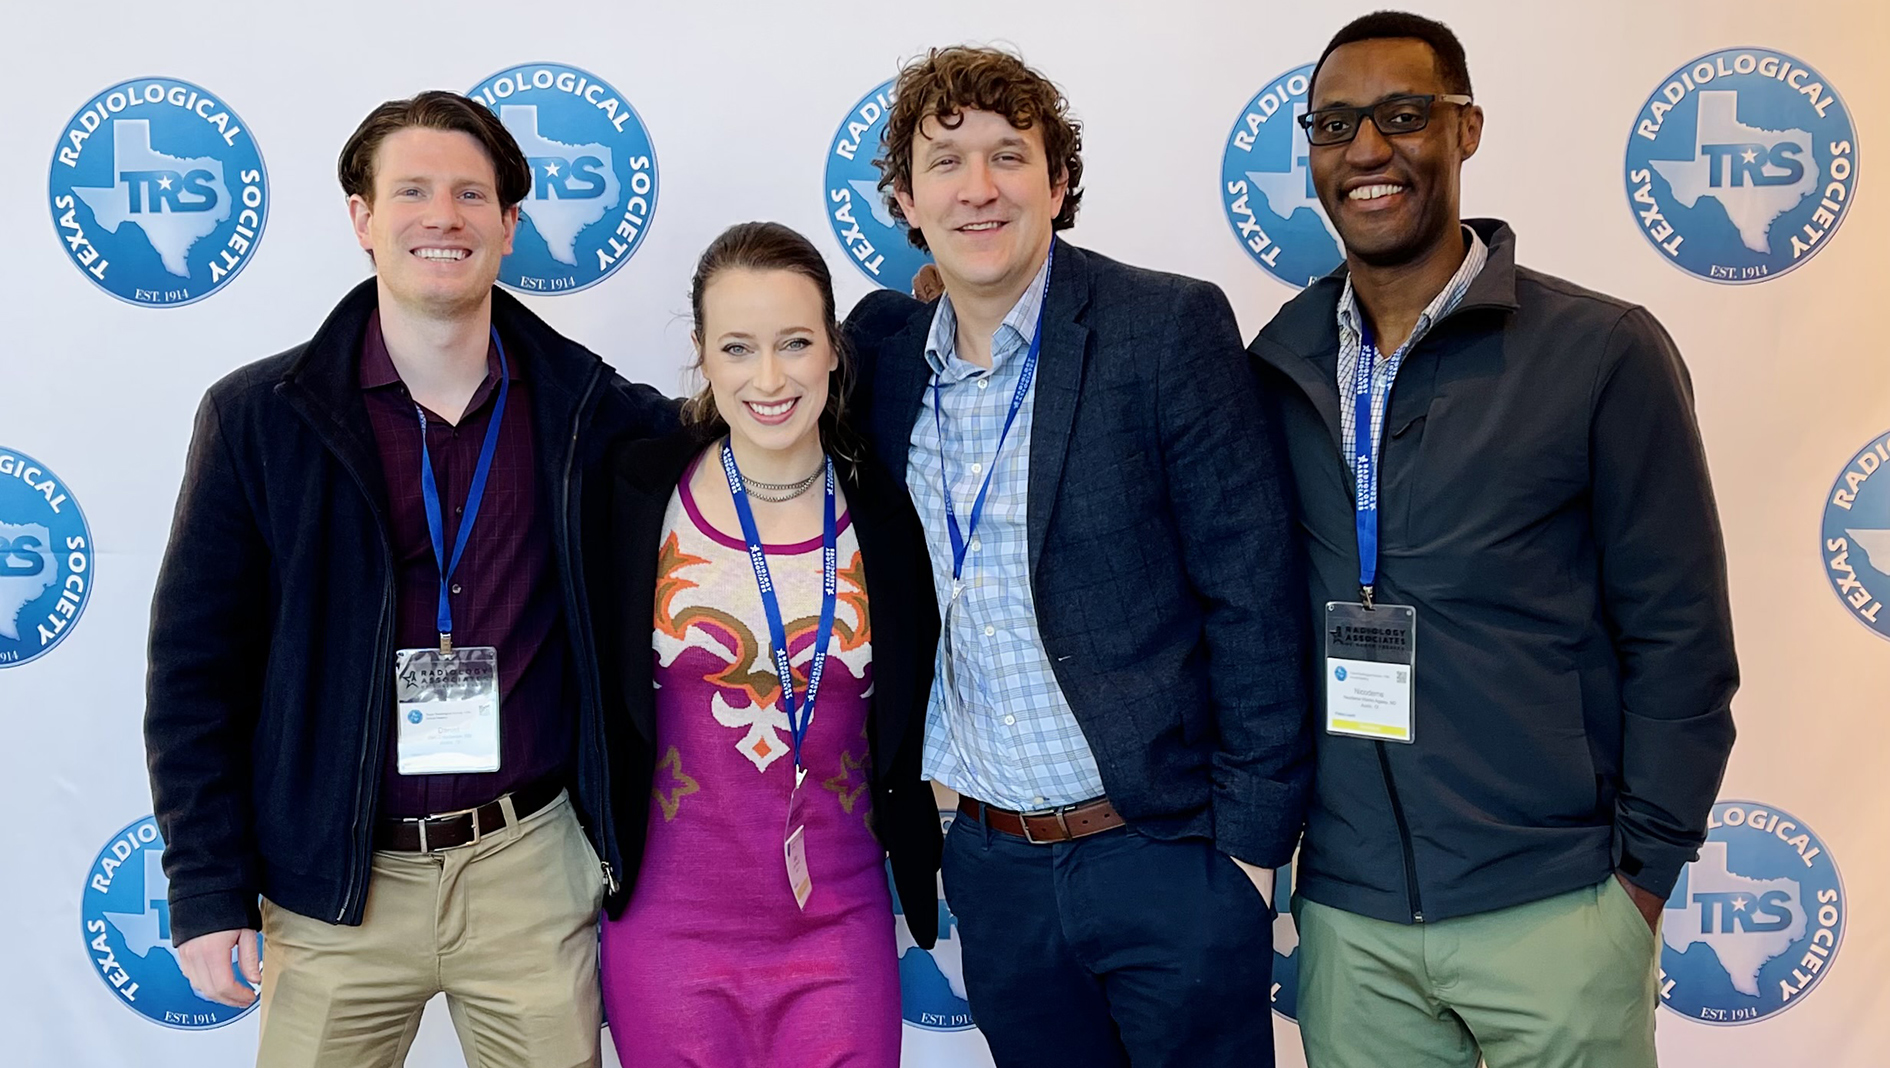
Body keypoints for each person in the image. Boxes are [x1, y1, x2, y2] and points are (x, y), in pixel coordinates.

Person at [143, 90, 676, 1067]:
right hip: (336, 882)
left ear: (510, 226)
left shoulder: (586, 410)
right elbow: (194, 673)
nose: (444, 217)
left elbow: (749, 432)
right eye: (414, 191)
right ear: (362, 219)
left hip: (528, 868)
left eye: (472, 194)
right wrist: (207, 887)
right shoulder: (260, 419)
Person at [1247, 12, 1739, 1068]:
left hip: (1556, 915)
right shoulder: (1277, 365)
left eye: (1404, 115)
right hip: (1353, 925)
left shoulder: (1603, 353)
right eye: (1335, 124)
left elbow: (1683, 642)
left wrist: (1640, 887)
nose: (1368, 150)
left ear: (1466, 131)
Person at [844, 45, 1309, 1068]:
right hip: (995, 870)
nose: (978, 188)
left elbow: (1255, 592)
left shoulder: (1163, 328)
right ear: (906, 203)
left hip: (1167, 855)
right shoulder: (880, 355)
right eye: (945, 163)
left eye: (1009, 156)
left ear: (1057, 183)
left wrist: (1247, 858)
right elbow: (759, 404)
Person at [584, 221, 941, 1067]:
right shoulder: (637, 494)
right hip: (667, 935)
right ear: (703, 355)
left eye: (795, 343)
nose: (770, 378)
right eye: (738, 347)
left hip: (840, 930)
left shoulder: (888, 517)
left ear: (833, 352)